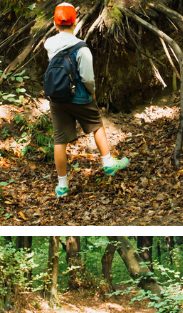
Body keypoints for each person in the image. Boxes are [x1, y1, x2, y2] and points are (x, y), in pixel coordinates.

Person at [45, 2, 129, 198]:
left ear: (56, 25)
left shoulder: (49, 45)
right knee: (97, 126)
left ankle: (62, 186)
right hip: (79, 97)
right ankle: (108, 162)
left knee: (60, 140)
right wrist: (92, 93)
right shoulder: (82, 48)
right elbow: (88, 78)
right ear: (75, 23)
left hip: (57, 98)